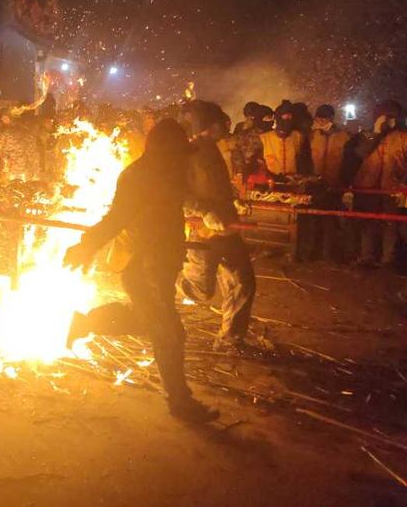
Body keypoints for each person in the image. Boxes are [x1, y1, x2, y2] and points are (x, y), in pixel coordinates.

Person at [63, 119, 219, 423]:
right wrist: (86, 245)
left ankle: (87, 323)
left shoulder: (165, 171)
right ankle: (180, 402)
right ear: (163, 151)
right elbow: (117, 218)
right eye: (177, 152)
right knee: (169, 333)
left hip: (160, 261)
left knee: (153, 323)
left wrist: (207, 211)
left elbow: (180, 197)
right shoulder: (138, 177)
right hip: (143, 264)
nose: (182, 158)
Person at [176, 101, 256, 353]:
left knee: (243, 281)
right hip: (202, 233)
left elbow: (218, 188)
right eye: (220, 122)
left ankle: (230, 340)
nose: (225, 126)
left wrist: (234, 201)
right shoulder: (186, 154)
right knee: (200, 291)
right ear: (209, 126)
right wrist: (204, 211)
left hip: (226, 231)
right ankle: (162, 284)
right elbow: (178, 193)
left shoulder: (213, 150)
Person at [351, 101, 407, 267]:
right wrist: (376, 132)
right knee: (367, 223)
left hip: (392, 189)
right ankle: (367, 256)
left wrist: (403, 183)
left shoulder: (403, 137)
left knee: (390, 225)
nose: (389, 121)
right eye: (385, 117)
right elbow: (358, 155)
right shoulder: (366, 136)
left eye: (392, 117)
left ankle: (387, 259)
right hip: (368, 187)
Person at [302, 104, 350, 261]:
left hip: (333, 185)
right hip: (315, 184)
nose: (320, 122)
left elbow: (348, 161)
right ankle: (312, 252)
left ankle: (330, 254)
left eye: (323, 118)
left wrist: (342, 181)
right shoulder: (312, 136)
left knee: (331, 221)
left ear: (331, 119)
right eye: (318, 118)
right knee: (314, 219)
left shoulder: (344, 136)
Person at [260, 100, 311, 178]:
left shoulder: (299, 137)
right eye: (283, 118)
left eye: (289, 119)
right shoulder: (264, 138)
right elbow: (259, 163)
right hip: (271, 183)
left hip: (293, 183)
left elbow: (305, 161)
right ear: (277, 119)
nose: (286, 123)